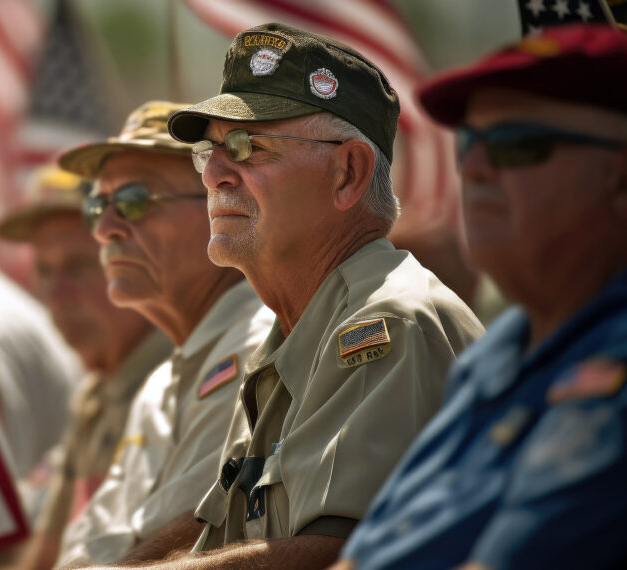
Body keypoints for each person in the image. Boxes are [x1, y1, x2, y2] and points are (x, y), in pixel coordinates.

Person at [97, 22, 483, 569]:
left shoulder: (388, 321)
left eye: (246, 145)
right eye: (211, 151)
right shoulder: (296, 332)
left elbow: (334, 555)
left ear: (348, 172)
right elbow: (215, 529)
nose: (217, 175)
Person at [337, 23, 627, 570]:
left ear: (620, 179)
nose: (472, 168)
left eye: (518, 146)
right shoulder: (501, 352)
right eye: (470, 143)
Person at [53, 100, 277, 566]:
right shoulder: (160, 383)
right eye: (98, 206)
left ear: (220, 204)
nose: (106, 230)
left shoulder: (258, 350)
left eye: (136, 200)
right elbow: (94, 542)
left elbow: (198, 529)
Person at [0, 165, 173, 569]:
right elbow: (44, 552)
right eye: (43, 271)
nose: (56, 294)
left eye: (76, 267)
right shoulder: (95, 395)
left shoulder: (175, 382)